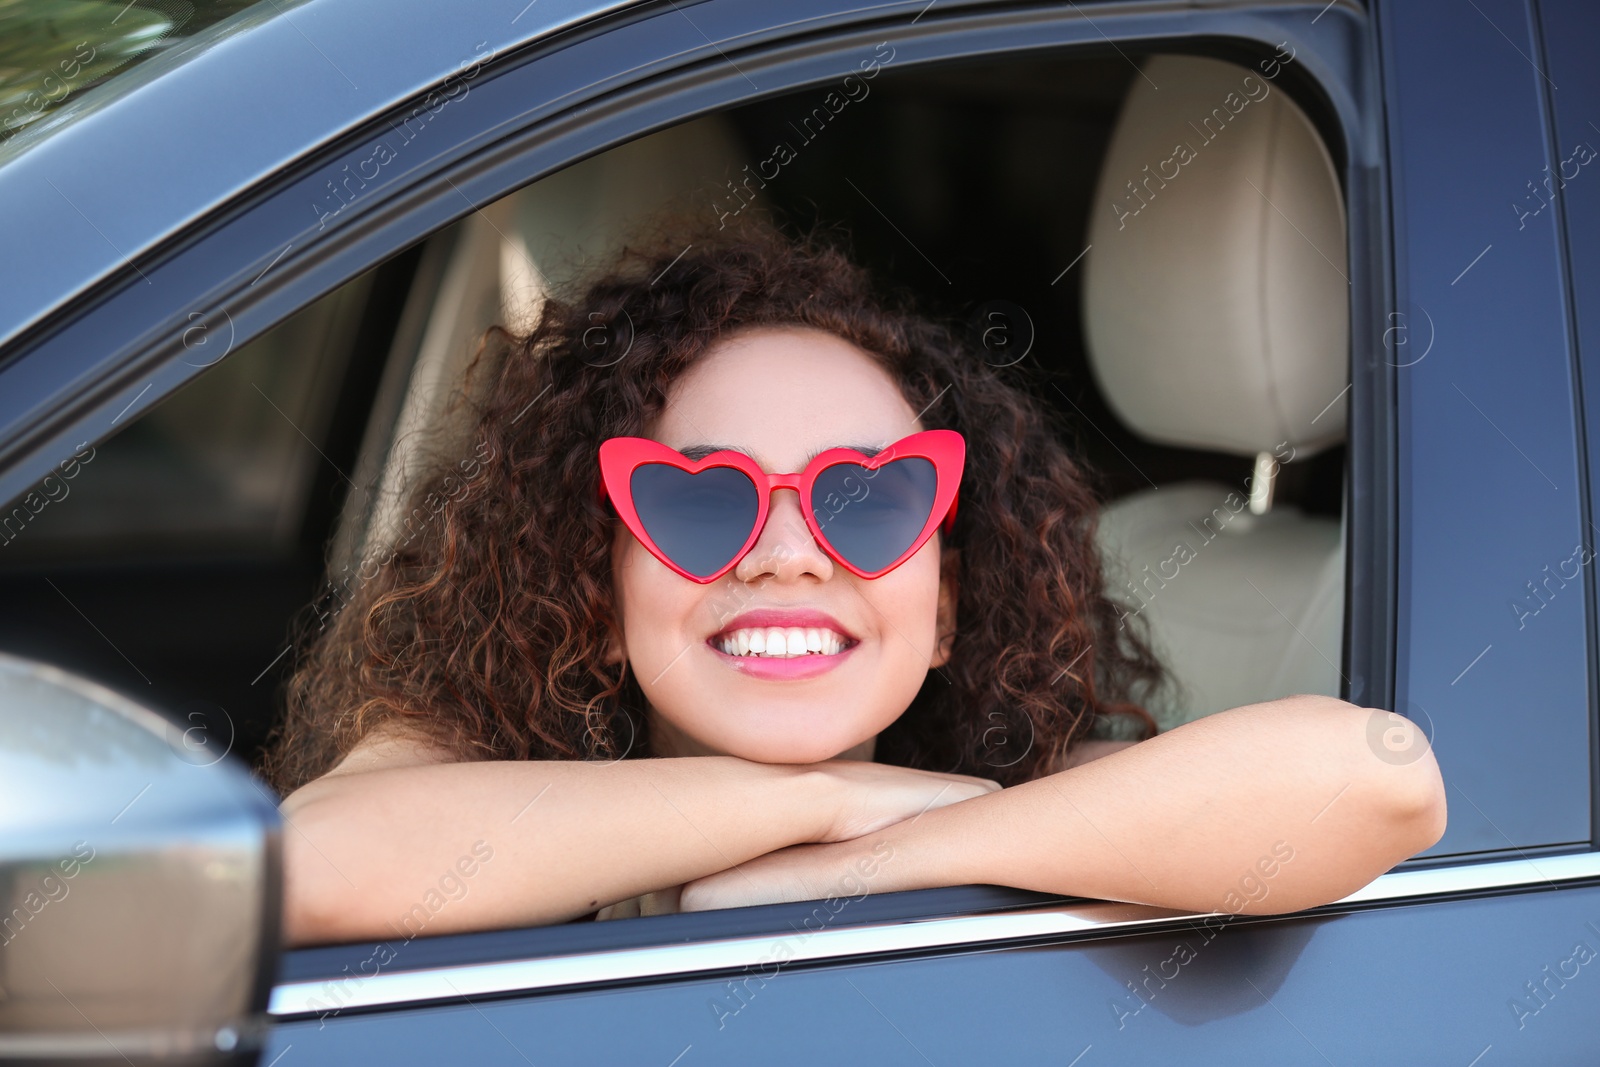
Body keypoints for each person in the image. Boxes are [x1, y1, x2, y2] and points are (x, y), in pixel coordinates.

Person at [264, 215, 1445, 946]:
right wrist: (822, 801)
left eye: (867, 498)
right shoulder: (468, 780)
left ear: (940, 608)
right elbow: (305, 869)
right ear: (595, 583)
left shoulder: (1006, 799)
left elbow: (1376, 779)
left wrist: (896, 851)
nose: (788, 551)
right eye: (701, 499)